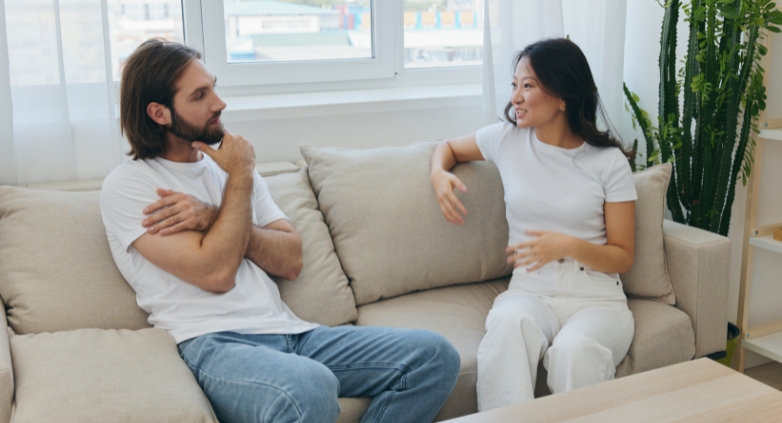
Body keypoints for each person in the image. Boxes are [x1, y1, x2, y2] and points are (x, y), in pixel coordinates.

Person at [100, 39, 460, 423]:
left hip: (293, 334)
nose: (219, 103)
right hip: (215, 345)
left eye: (215, 87)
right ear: (159, 112)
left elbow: (291, 259)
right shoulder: (131, 186)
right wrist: (239, 177)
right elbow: (216, 272)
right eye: (200, 95)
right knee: (309, 385)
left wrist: (213, 215)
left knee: (435, 357)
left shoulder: (233, 168)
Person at [429, 38, 636, 411]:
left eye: (528, 86)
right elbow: (448, 148)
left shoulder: (608, 163)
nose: (515, 98)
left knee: (575, 351)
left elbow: (622, 256)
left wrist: (567, 246)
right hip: (530, 290)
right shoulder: (506, 140)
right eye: (514, 85)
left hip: (596, 300)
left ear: (562, 97)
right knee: (508, 326)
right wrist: (438, 175)